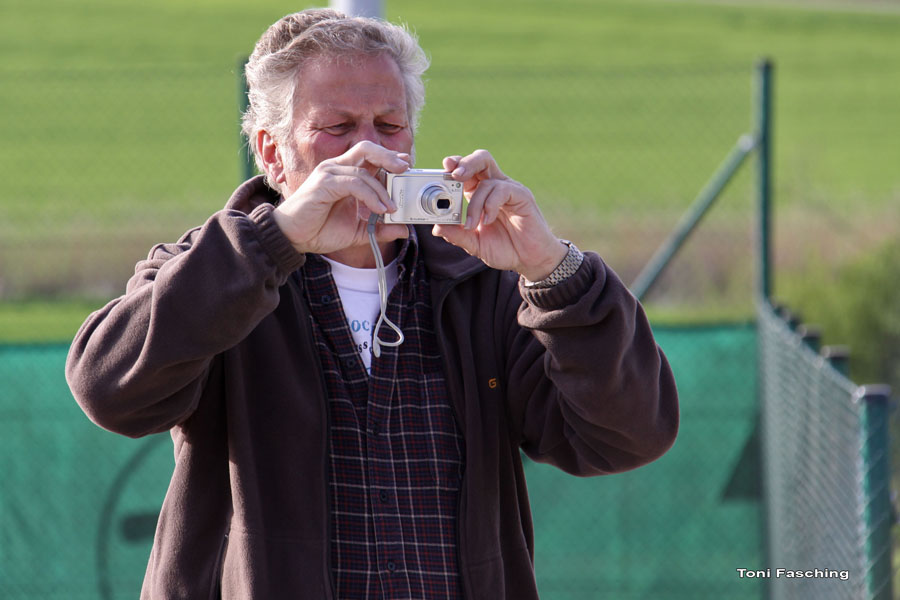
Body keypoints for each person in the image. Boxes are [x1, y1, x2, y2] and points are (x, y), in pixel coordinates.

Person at [66, 8, 678, 600]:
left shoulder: (483, 283)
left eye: (389, 126)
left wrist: (552, 270)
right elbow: (109, 389)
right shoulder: (213, 272)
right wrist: (275, 243)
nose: (370, 151)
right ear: (272, 152)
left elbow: (628, 436)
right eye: (337, 128)